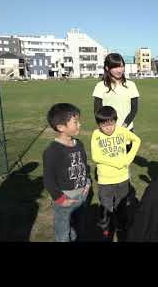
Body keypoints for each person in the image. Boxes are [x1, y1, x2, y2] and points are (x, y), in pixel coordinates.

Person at [91, 106, 141, 241]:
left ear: (115, 121)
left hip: (122, 178)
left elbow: (137, 141)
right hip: (105, 181)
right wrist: (117, 163)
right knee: (106, 207)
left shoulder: (122, 131)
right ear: (98, 124)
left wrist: (128, 158)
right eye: (104, 125)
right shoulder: (96, 134)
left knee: (121, 205)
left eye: (111, 124)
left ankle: (122, 226)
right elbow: (96, 157)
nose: (108, 128)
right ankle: (106, 229)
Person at [43, 103, 91, 242]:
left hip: (81, 195)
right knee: (63, 233)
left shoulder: (79, 144)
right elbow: (49, 180)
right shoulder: (52, 151)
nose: (79, 125)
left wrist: (87, 182)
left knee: (79, 229)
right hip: (64, 198)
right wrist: (60, 199)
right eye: (75, 122)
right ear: (61, 127)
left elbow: (84, 165)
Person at [93, 53, 140, 138]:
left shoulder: (131, 85)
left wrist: (124, 127)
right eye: (115, 67)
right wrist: (106, 128)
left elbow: (134, 109)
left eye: (121, 66)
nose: (119, 70)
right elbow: (97, 111)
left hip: (127, 130)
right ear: (107, 68)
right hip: (107, 132)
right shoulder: (100, 86)